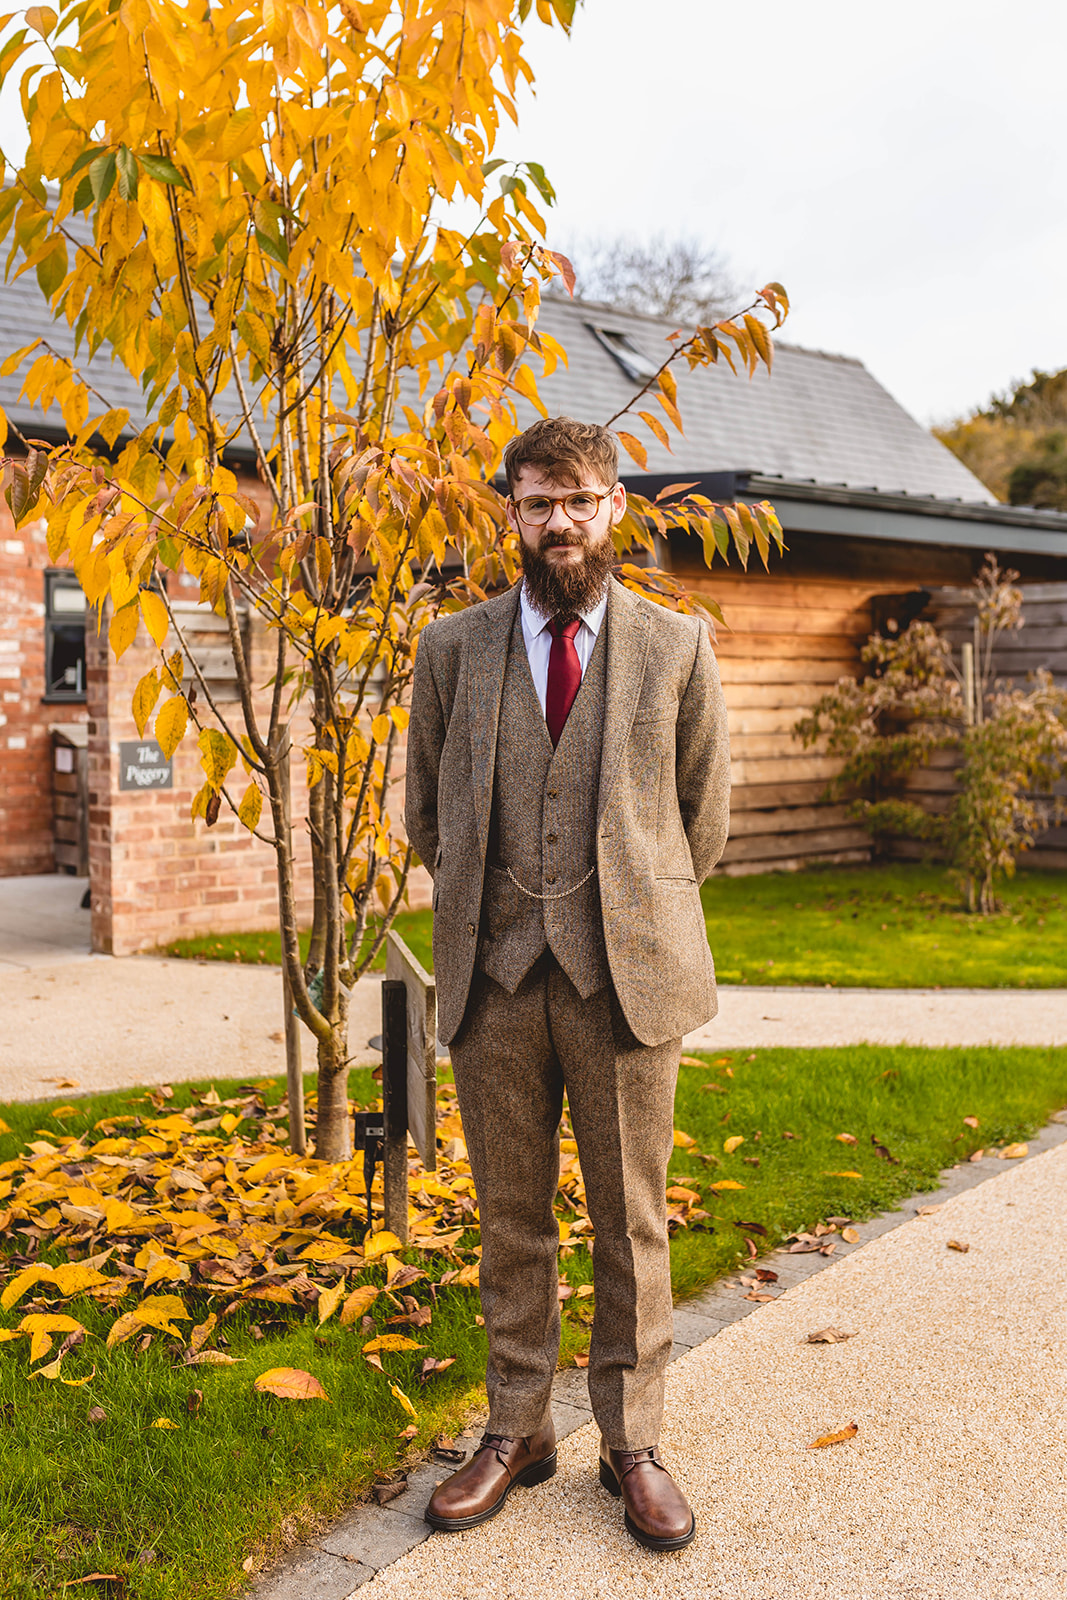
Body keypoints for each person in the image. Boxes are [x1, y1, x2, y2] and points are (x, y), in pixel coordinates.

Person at [404, 416, 730, 1552]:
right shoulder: (450, 650)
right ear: (511, 512)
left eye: (579, 500)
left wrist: (625, 908)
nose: (560, 521)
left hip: (624, 983)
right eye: (538, 500)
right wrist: (502, 913)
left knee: (629, 1221)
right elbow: (426, 818)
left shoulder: (674, 647)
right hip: (492, 981)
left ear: (614, 508)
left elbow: (703, 822)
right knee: (508, 1217)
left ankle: (630, 1443)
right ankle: (516, 1428)